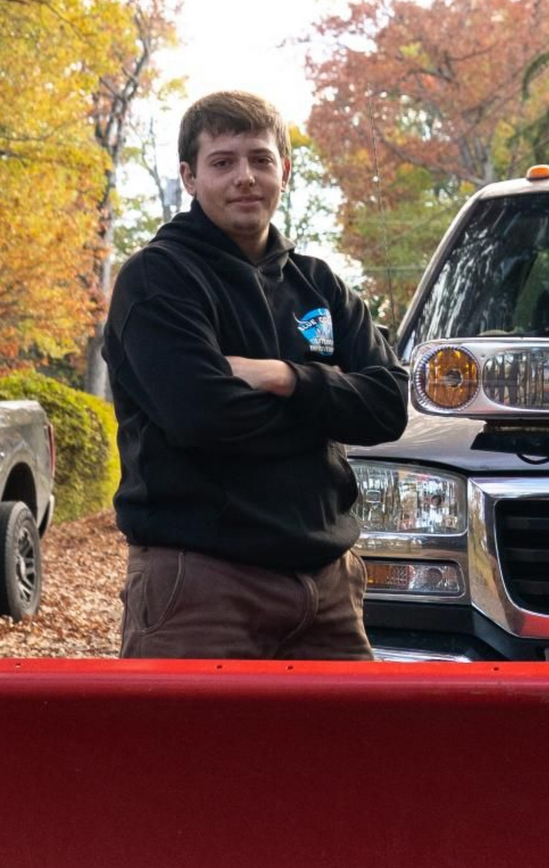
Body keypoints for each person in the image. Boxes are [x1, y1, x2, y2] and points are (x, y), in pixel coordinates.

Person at [104, 91, 409, 659]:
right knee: (194, 751)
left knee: (349, 750)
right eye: (223, 162)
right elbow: (204, 418)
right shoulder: (157, 280)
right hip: (201, 586)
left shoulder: (321, 285)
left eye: (260, 159)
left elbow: (390, 405)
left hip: (329, 588)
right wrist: (331, 408)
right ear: (190, 177)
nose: (245, 177)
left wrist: (286, 378)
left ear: (284, 172)